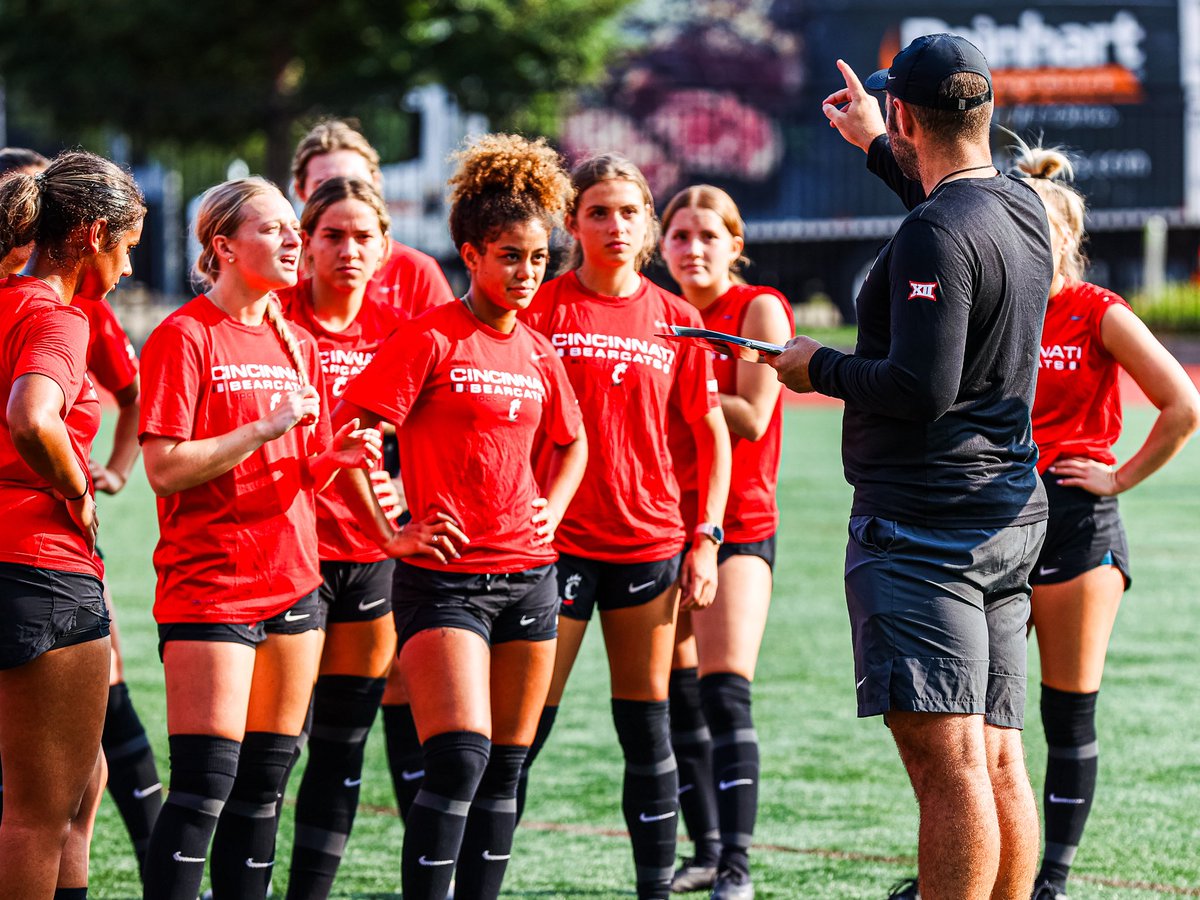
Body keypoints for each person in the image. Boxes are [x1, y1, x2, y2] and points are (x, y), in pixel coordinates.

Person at [771, 35, 1054, 900]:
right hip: (1006, 515)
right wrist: (873, 146)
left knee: (950, 766)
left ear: (904, 113)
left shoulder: (937, 230)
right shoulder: (1021, 204)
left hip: (928, 526)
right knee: (999, 751)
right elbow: (947, 215)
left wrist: (813, 365)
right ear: (986, 111)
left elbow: (918, 388)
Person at [331, 132, 586, 900]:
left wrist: (553, 507)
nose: (526, 273)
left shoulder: (541, 351)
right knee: (462, 758)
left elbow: (572, 446)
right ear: (470, 256)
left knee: (508, 768)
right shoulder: (428, 338)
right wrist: (391, 532)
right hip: (444, 584)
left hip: (531, 579)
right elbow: (351, 444)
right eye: (510, 256)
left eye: (538, 259)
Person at [137, 177, 388, 900]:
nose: (294, 241)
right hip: (211, 589)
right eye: (275, 229)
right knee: (204, 789)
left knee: (264, 790)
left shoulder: (296, 340)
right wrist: (261, 428)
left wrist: (333, 462)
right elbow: (162, 470)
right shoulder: (184, 335)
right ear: (222, 247)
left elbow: (298, 473)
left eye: (292, 230)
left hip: (295, 588)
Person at [517, 153, 732, 900]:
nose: (615, 226)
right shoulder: (542, 308)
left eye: (629, 212)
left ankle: (654, 891)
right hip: (553, 548)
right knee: (522, 733)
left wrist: (705, 538)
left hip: (650, 546)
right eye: (598, 212)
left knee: (646, 730)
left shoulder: (678, 319)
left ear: (648, 225)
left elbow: (713, 435)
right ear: (572, 224)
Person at [1010, 140, 1200, 900]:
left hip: (1077, 527)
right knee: (974, 713)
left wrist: (1117, 475)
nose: (1027, 242)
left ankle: (1049, 879)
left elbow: (1183, 406)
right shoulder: (994, 312)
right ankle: (975, 867)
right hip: (994, 523)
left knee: (1066, 712)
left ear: (1068, 238)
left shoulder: (1097, 312)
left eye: (1041, 229)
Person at [0, 144, 164, 877]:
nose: (128, 270)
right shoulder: (59, 317)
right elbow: (33, 417)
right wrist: (74, 486)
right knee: (41, 818)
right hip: (38, 570)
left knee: (67, 797)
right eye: (127, 249)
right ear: (93, 235)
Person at [290, 119, 454, 806]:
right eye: (324, 189)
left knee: (383, 693)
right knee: (268, 734)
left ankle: (419, 842)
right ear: (301, 199)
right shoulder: (271, 295)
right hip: (290, 534)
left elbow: (440, 396)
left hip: (379, 526)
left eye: (356, 183)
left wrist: (395, 483)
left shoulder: (413, 278)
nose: (350, 245)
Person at [659, 185, 794, 900]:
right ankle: (706, 851)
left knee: (726, 692)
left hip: (737, 523)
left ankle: (737, 867)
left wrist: (670, 385)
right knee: (676, 699)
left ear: (735, 245)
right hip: (660, 524)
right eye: (679, 236)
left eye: (709, 235)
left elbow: (752, 412)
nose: (694, 248)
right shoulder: (663, 315)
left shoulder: (757, 308)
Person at [274, 175, 406, 900]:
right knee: (271, 749)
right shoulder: (275, 319)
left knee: (342, 748)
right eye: (333, 235)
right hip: (286, 558)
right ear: (306, 242)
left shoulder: (399, 331)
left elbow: (429, 437)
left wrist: (407, 492)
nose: (349, 250)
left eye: (363, 236)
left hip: (372, 559)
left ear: (384, 246)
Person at [291, 118, 455, 316]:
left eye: (355, 182)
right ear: (300, 191)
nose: (342, 194)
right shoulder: (281, 271)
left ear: (376, 183)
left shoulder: (416, 272)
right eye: (324, 186)